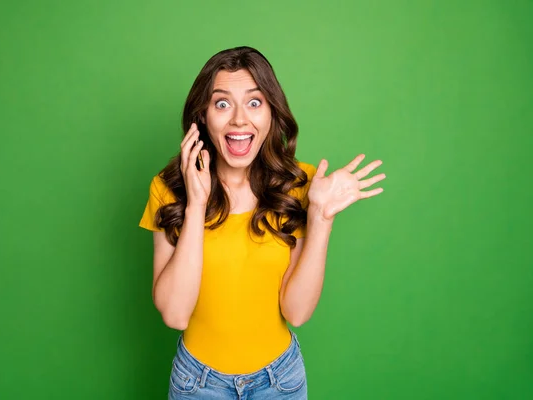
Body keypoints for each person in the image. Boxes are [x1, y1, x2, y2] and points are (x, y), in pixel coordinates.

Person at [139, 46, 386, 399]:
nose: (240, 119)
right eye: (222, 103)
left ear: (272, 113)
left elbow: (296, 312)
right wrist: (196, 204)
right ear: (203, 116)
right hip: (198, 384)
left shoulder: (302, 184)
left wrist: (320, 217)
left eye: (254, 102)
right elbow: (176, 315)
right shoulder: (169, 188)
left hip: (279, 382)